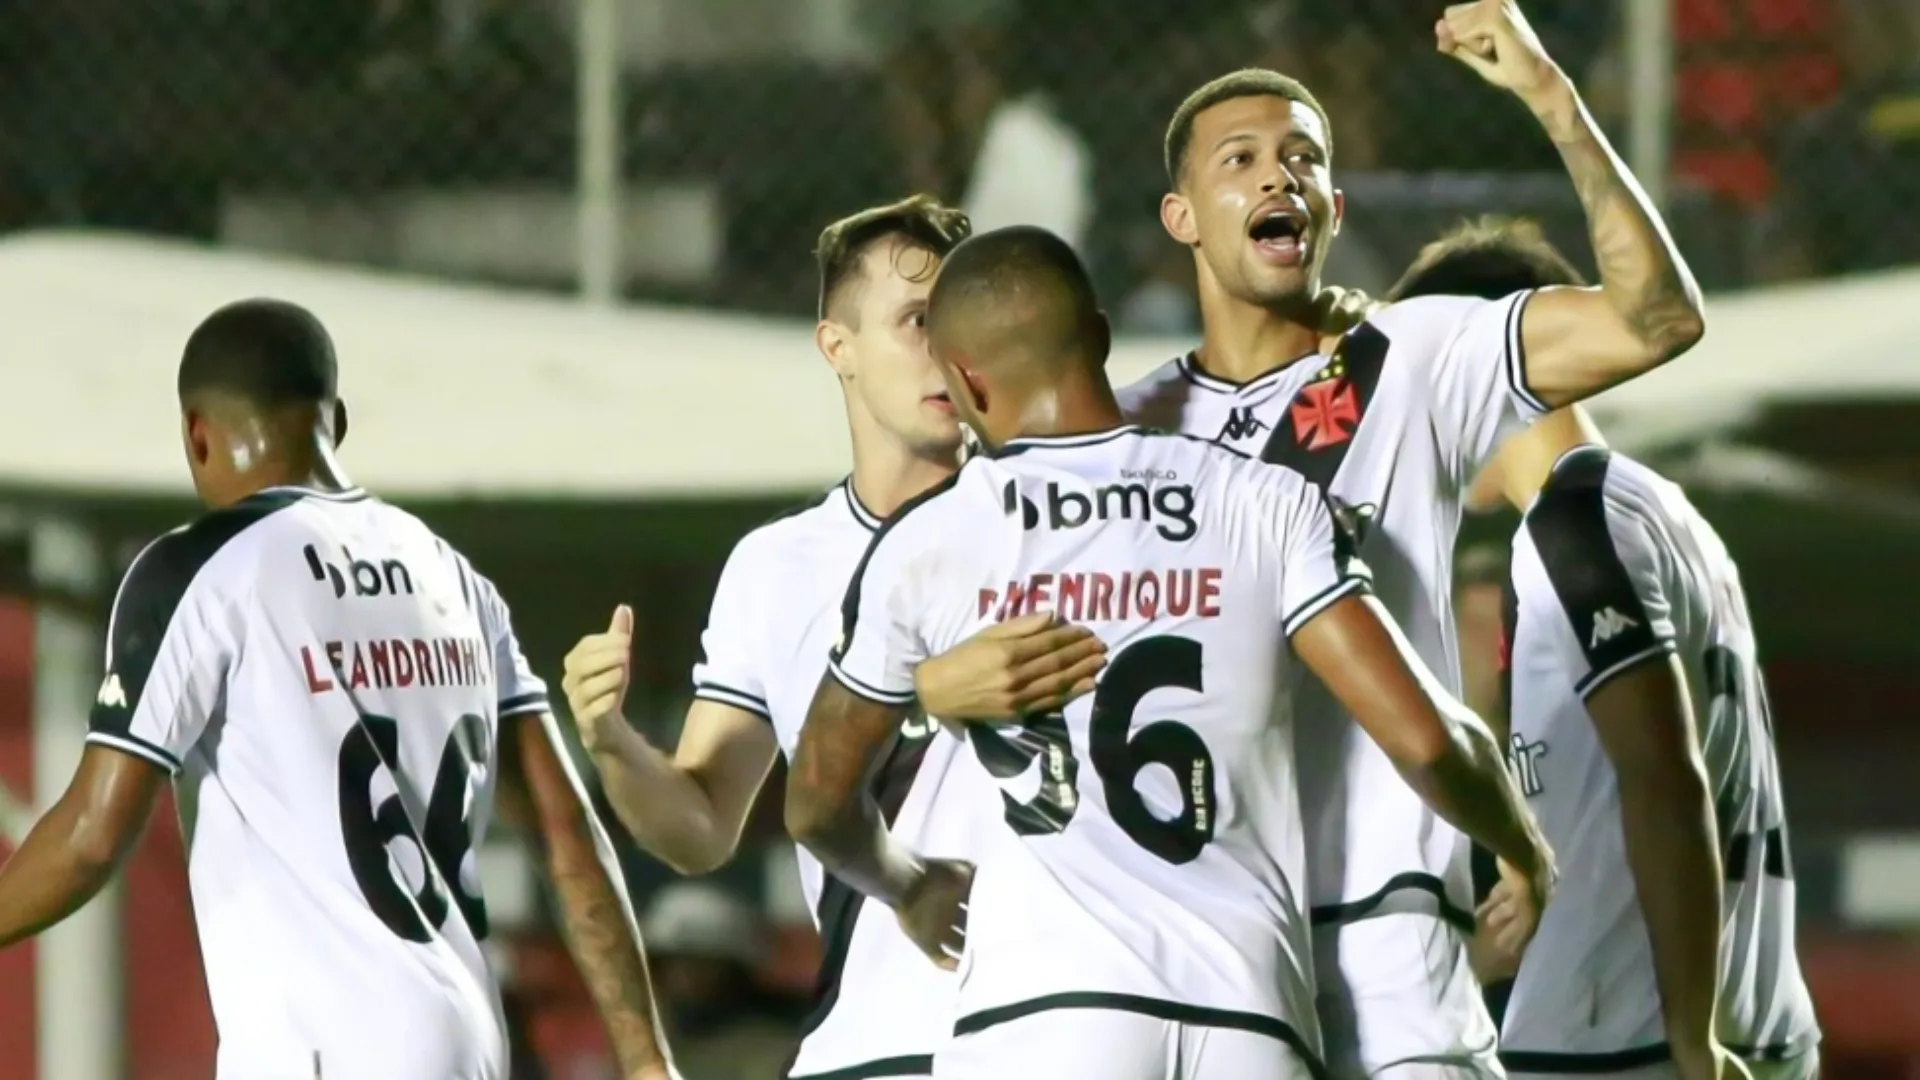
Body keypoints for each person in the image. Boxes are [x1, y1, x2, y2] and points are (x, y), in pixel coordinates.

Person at [937, 5, 1698, 1077]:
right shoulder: (1134, 431)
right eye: (1240, 159)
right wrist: (936, 682)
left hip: (1390, 943)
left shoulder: (1417, 357)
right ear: (1182, 216)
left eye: (1303, 159)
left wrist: (1551, 101)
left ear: (1334, 208)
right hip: (1211, 956)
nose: (1277, 177)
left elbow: (1656, 319)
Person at [784, 225, 1554, 1080]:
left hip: (1043, 1017)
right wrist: (1523, 849)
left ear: (965, 380)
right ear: (1104, 341)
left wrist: (910, 884)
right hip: (1247, 1016)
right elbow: (1430, 741)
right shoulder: (1264, 500)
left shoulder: (928, 542)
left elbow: (816, 802)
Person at [0, 299, 671, 1079]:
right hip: (469, 1047)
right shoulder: (453, 577)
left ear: (195, 433)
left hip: (325, 1053)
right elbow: (567, 831)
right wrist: (647, 1059)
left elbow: (89, 837)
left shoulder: (202, 570)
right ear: (337, 421)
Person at [558, 196, 1109, 1080]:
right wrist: (613, 743)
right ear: (836, 347)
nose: (945, 349)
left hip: (1057, 1035)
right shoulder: (776, 566)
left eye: (959, 321)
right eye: (915, 322)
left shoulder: (1059, 525)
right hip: (869, 1041)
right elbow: (700, 826)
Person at [1391, 219, 1822, 1080]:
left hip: (1632, 1038)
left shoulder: (1573, 523)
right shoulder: (1666, 512)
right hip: (1755, 1019)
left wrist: (1691, 1038)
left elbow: (1664, 780)